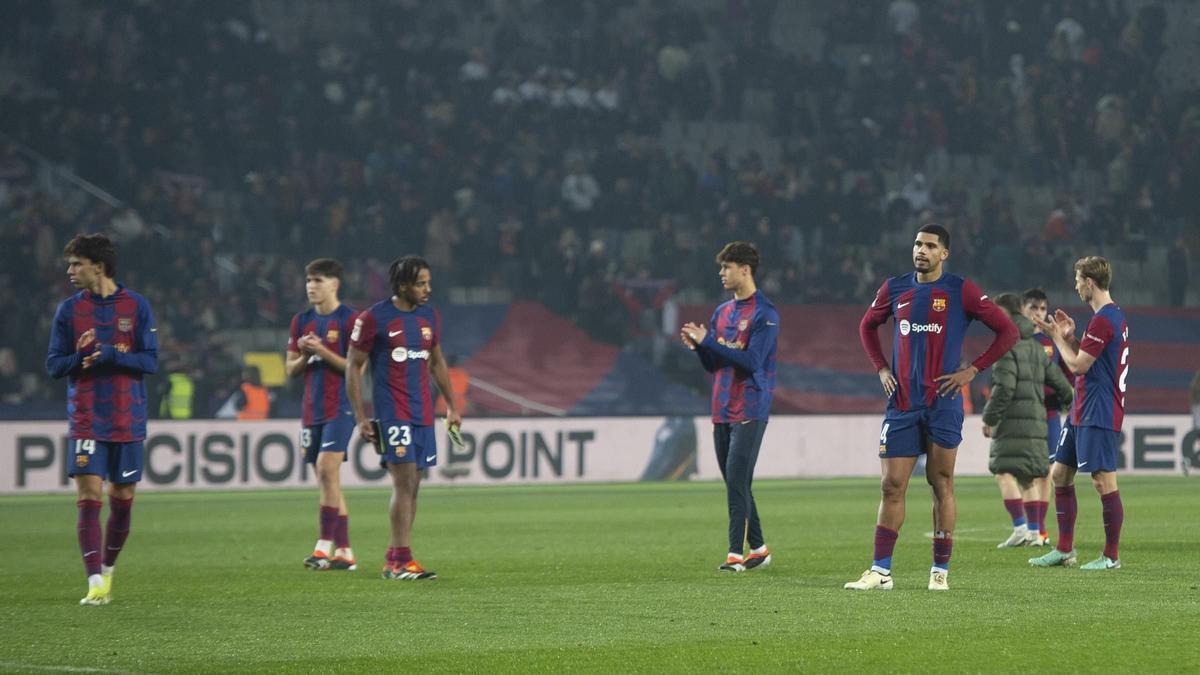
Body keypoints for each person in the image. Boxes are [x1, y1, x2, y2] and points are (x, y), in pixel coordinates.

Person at [845, 224, 1018, 591]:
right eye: (917, 244)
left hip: (943, 404)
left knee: (941, 483)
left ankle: (939, 571)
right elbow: (866, 326)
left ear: (944, 254)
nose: (920, 250)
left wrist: (974, 370)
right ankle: (881, 571)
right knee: (891, 486)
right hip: (903, 404)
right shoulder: (895, 288)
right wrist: (881, 367)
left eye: (929, 246)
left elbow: (1008, 331)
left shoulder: (960, 290)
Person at [46, 234, 159, 605]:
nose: (70, 271)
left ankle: (108, 570)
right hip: (87, 416)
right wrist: (80, 358)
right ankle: (94, 582)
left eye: (76, 263)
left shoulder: (137, 306)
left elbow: (150, 361)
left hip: (127, 417)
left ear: (99, 266)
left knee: (122, 497)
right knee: (89, 494)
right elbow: (53, 365)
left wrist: (110, 354)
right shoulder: (68, 311)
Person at [346, 256, 462, 581]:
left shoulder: (429, 317)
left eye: (428, 282)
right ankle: (400, 561)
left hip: (422, 412)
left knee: (415, 486)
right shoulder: (374, 318)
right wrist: (360, 415)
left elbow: (436, 362)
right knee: (405, 481)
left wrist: (451, 406)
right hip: (391, 412)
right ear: (402, 286)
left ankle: (396, 556)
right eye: (421, 283)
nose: (428, 289)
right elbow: (354, 366)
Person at [680, 241, 779, 572]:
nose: (721, 273)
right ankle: (760, 549)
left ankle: (735, 555)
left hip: (750, 405)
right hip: (721, 407)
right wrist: (700, 348)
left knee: (737, 479)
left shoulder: (766, 314)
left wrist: (709, 341)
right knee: (735, 482)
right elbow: (714, 365)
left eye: (727, 267)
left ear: (745, 270)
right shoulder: (721, 313)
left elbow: (752, 361)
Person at [1030, 256, 1129, 570]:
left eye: (1077, 281)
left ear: (1089, 282)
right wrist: (1070, 338)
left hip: (1099, 409)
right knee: (1060, 474)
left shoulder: (1105, 319)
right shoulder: (1107, 318)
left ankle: (1111, 556)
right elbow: (1090, 360)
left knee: (1103, 480)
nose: (1075, 287)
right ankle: (1064, 550)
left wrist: (1057, 340)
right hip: (1081, 407)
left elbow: (1077, 365)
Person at [981, 293, 1073, 548]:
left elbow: (1005, 387)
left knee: (1004, 471)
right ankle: (1035, 532)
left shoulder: (1007, 344)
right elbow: (1060, 380)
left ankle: (1024, 528)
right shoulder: (1034, 345)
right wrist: (1071, 402)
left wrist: (990, 416)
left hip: (1015, 417)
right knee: (1031, 475)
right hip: (1038, 416)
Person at [285, 258, 359, 571]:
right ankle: (344, 551)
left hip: (341, 406)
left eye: (318, 280)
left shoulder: (351, 320)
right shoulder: (300, 321)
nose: (311, 286)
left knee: (326, 468)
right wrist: (304, 354)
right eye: (309, 281)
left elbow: (356, 367)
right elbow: (289, 369)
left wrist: (322, 351)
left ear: (334, 284)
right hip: (311, 409)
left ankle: (323, 545)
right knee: (327, 478)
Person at [1020, 287, 1074, 544]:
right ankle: (1029, 527)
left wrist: (1069, 398)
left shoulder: (1052, 342)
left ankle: (1038, 530)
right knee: (1027, 471)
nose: (1038, 313)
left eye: (1043, 308)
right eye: (1033, 307)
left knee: (1046, 472)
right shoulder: (1015, 339)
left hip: (1050, 414)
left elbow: (1068, 373)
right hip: (1023, 415)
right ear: (1023, 309)